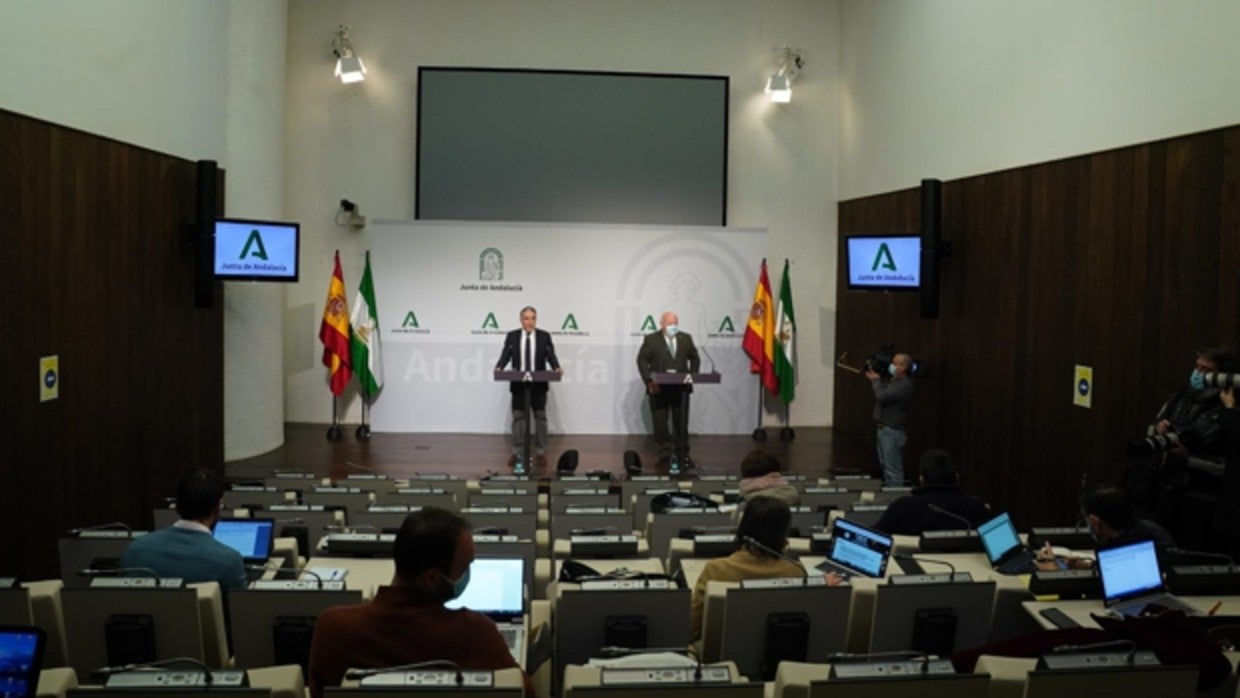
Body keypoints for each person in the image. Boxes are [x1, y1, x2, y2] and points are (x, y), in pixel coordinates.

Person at [307, 508, 533, 698]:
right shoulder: (476, 634)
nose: (469, 574)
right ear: (433, 578)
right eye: (466, 567)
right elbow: (526, 693)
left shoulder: (332, 628)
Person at [689, 498, 840, 643]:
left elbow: (692, 629)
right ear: (783, 533)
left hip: (720, 655)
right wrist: (820, 585)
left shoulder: (715, 570)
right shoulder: (795, 572)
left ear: (743, 527)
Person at [120, 467, 246, 590]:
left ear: (177, 507)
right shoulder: (229, 561)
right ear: (217, 510)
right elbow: (240, 609)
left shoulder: (136, 549)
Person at [494, 306, 562, 469]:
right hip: (519, 386)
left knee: (540, 419)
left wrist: (556, 367)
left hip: (538, 386)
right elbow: (506, 355)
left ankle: (540, 452)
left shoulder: (544, 336)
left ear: (536, 320)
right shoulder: (512, 336)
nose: (530, 321)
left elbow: (550, 355)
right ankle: (517, 451)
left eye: (533, 318)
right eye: (526, 318)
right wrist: (499, 367)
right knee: (519, 419)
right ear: (521, 320)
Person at [636, 311, 701, 470]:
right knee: (660, 424)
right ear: (662, 323)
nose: (673, 327)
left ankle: (683, 454)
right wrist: (649, 381)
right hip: (658, 389)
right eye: (670, 323)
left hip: (681, 389)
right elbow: (642, 360)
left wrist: (692, 375)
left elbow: (695, 357)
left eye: (675, 323)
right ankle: (664, 455)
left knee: (681, 423)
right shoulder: (651, 339)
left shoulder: (685, 338)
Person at [873, 449, 991, 536]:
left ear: (921, 479)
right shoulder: (974, 506)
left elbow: (874, 539)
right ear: (957, 477)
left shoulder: (903, 507)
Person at [865, 352, 914, 486]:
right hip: (883, 429)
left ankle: (896, 498)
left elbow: (883, 397)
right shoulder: (893, 381)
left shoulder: (904, 384)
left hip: (892, 431)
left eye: (895, 363)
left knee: (893, 469)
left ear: (903, 367)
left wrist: (875, 380)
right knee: (885, 465)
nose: (891, 366)